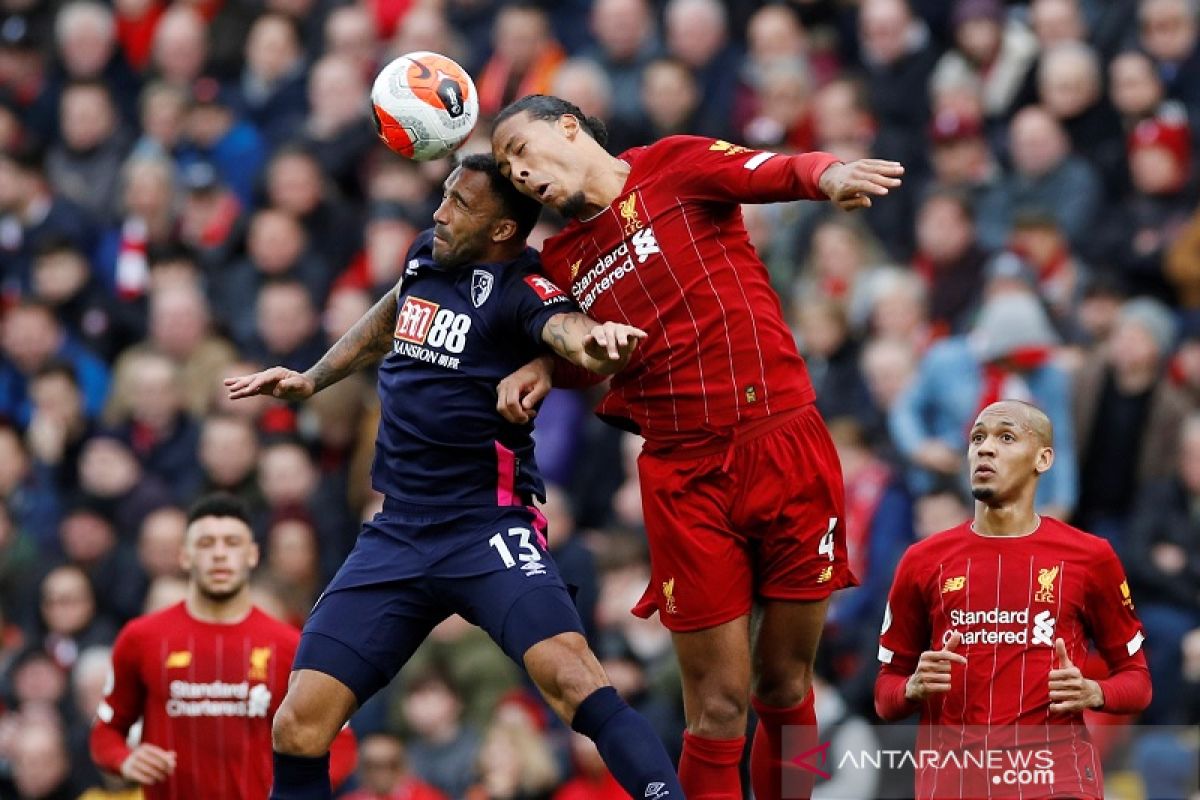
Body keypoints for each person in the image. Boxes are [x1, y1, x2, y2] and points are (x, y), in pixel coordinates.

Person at [225, 153, 684, 800]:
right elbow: (393, 311)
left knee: (574, 681)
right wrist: (313, 377)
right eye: (444, 195)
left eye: (460, 204)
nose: (439, 211)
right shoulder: (426, 253)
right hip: (398, 532)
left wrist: (594, 342)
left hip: (487, 526)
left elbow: (565, 328)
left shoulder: (523, 289)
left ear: (501, 230)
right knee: (298, 726)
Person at [490, 93, 903, 800]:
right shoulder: (557, 262)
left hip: (781, 440)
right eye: (506, 170)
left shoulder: (674, 166)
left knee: (785, 682)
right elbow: (570, 350)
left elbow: (770, 170)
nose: (518, 174)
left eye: (520, 151)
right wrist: (540, 363)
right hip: (683, 476)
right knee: (714, 707)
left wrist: (828, 173)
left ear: (568, 126)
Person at [875, 400, 1152, 799]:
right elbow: (886, 696)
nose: (985, 448)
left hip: (1056, 781)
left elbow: (1138, 680)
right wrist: (912, 687)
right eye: (977, 438)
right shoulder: (922, 561)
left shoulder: (1090, 557)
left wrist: (1096, 692)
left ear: (1043, 459)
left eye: (1006, 437)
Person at [88, 493, 358, 798]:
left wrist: (293, 790)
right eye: (205, 544)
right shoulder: (141, 638)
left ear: (253, 555)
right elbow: (106, 731)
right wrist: (124, 760)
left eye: (232, 543)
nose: (219, 554)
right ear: (184, 556)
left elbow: (342, 742)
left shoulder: (290, 645)